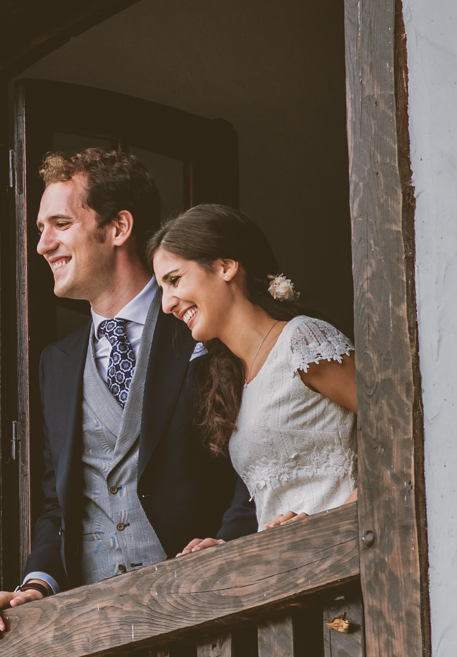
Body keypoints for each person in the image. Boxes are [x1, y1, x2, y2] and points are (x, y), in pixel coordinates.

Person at [0, 152, 255, 639]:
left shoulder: (202, 321)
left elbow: (254, 453)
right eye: (41, 228)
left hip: (209, 604)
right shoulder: (55, 362)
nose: (42, 245)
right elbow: (60, 503)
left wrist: (228, 543)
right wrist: (35, 584)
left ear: (119, 227)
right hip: (97, 625)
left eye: (60, 223)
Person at [145, 203, 358, 554]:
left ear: (225, 266)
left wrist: (328, 524)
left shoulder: (302, 342)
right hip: (290, 573)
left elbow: (399, 439)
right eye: (162, 289)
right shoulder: (232, 378)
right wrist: (229, 545)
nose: (168, 303)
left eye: (174, 280)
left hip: (345, 556)